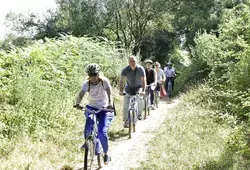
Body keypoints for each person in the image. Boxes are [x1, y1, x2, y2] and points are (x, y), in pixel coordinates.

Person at [74, 63, 114, 164]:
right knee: (89, 121)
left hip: (104, 109)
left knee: (102, 131)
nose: (93, 77)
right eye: (91, 75)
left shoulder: (104, 82)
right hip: (91, 107)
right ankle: (87, 141)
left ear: (98, 74)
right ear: (89, 75)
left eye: (95, 74)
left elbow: (110, 94)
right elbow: (81, 94)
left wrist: (110, 104)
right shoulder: (87, 84)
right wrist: (77, 103)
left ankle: (105, 154)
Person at [119, 55, 146, 126]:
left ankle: (139, 114)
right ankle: (126, 121)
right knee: (126, 103)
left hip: (138, 87)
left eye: (133, 61)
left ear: (136, 61)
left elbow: (144, 80)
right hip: (129, 88)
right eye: (130, 61)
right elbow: (121, 81)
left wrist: (143, 90)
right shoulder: (125, 70)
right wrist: (121, 90)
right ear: (128, 62)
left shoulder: (140, 69)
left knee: (140, 99)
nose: (132, 63)